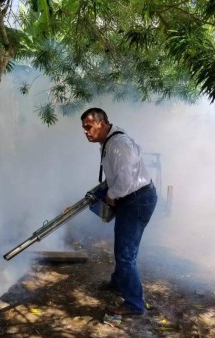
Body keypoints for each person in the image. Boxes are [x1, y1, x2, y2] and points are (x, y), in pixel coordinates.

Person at [80, 107, 157, 316]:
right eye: (84, 128)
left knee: (125, 255)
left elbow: (124, 183)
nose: (86, 132)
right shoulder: (110, 141)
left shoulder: (117, 145)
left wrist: (110, 196)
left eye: (89, 126)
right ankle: (117, 282)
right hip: (134, 198)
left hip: (136, 200)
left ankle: (134, 305)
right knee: (123, 247)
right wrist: (104, 189)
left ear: (102, 123)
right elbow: (119, 174)